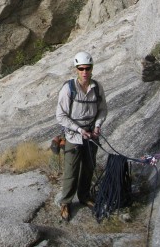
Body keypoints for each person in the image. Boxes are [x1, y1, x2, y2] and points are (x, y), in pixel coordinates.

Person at [55, 51, 107, 221]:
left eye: (88, 68)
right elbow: (61, 115)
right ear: (76, 69)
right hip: (74, 136)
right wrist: (78, 130)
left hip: (91, 134)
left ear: (92, 68)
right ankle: (66, 202)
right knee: (71, 170)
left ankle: (84, 196)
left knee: (89, 167)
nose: (85, 72)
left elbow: (102, 110)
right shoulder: (68, 89)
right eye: (81, 68)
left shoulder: (97, 88)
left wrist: (98, 126)